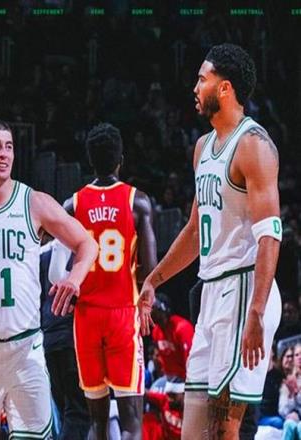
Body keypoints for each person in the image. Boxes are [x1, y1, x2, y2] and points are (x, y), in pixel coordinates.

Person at [138, 43, 282, 439]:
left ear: (225, 88)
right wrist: (154, 280)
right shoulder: (202, 147)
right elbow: (193, 231)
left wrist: (256, 311)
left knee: (223, 428)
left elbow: (270, 235)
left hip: (244, 289)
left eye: (202, 79)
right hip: (211, 293)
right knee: (194, 429)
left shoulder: (254, 145)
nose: (195, 87)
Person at [0, 121, 97, 440]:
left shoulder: (33, 202)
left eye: (9, 146)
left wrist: (74, 278)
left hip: (25, 348)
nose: (4, 153)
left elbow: (87, 243)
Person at [63, 122, 157, 439]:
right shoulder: (137, 201)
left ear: (90, 161)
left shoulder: (73, 205)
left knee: (97, 423)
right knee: (131, 421)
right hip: (122, 314)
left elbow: (61, 265)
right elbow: (149, 268)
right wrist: (146, 303)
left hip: (86, 316)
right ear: (121, 160)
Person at [40, 238, 90, 439]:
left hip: (48, 339)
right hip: (72, 336)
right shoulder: (81, 245)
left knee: (64, 412)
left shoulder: (41, 253)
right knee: (79, 412)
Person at [151, 293, 194, 382]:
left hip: (185, 377)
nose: (149, 311)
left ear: (162, 308)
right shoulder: (156, 332)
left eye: (152, 307)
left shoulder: (182, 327)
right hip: (169, 377)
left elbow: (191, 359)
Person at [278, 342, 301, 440]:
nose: (300, 357)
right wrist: (291, 395)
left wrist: (297, 393)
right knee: (289, 424)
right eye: (297, 355)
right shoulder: (289, 380)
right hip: (295, 419)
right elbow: (282, 410)